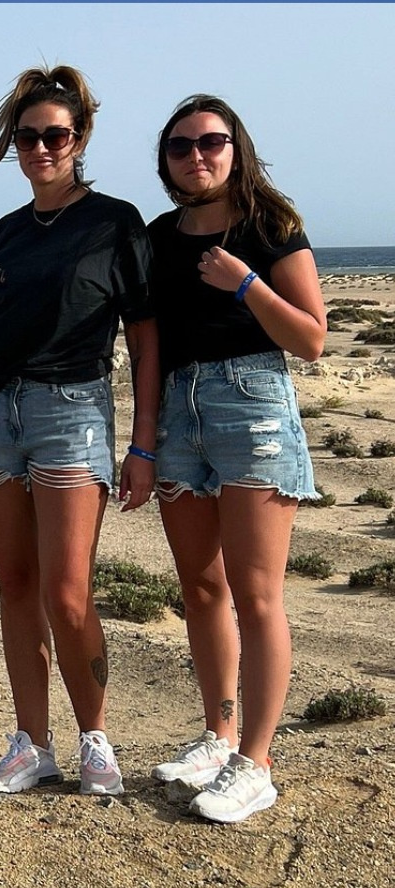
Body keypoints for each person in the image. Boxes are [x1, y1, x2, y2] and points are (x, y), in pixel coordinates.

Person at [0, 65, 158, 797]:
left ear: (81, 138)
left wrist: (142, 443)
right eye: (28, 136)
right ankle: (31, 745)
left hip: (72, 414)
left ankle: (95, 740)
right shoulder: (6, 232)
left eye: (55, 135)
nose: (41, 148)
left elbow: (145, 341)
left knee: (68, 593)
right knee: (16, 587)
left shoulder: (115, 223)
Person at [145, 95, 326, 823]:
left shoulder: (270, 224)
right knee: (201, 589)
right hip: (177, 412)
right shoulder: (159, 237)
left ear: (236, 148)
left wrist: (246, 282)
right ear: (165, 161)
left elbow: (312, 339)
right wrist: (144, 438)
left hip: (252, 407)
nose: (197, 156)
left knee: (257, 595)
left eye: (211, 142)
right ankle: (218, 739)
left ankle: (257, 762)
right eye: (181, 146)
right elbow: (149, 341)